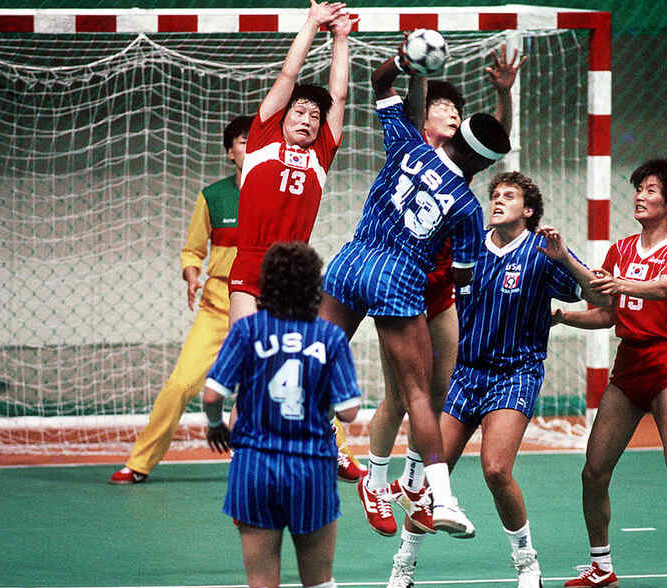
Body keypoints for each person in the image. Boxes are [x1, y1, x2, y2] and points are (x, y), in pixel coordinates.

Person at [381, 171, 610, 588]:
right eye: (495, 195)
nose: (498, 201)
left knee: (495, 469)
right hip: (463, 372)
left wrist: (565, 259)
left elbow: (598, 300)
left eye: (509, 196)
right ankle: (403, 568)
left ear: (528, 210)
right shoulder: (468, 247)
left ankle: (527, 566)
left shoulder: (544, 250)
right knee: (435, 472)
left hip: (515, 372)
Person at [318, 38, 511, 540]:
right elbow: (467, 277)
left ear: (455, 135)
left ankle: (324, 445)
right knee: (417, 395)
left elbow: (380, 84)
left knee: (314, 359)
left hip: (352, 261)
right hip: (403, 282)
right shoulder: (469, 207)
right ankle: (437, 495)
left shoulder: (404, 142)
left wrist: (402, 62)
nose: (445, 112)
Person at [553, 157, 667, 588]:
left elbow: (665, 288)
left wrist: (620, 285)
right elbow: (605, 311)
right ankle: (601, 567)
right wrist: (559, 310)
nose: (640, 195)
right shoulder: (620, 250)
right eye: (639, 188)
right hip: (629, 365)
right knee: (593, 471)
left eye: (651, 190)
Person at [203, 241, 361, 588]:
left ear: (267, 285)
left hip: (253, 465)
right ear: (315, 288)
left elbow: (212, 396)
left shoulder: (248, 330)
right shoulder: (329, 337)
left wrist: (216, 428)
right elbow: (349, 411)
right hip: (310, 468)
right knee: (320, 587)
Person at [224, 1, 363, 482]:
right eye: (300, 111)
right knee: (249, 360)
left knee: (303, 361)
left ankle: (327, 443)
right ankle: (251, 463)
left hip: (296, 272)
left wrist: (341, 37)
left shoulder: (322, 151)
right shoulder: (262, 138)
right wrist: (312, 24)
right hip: (249, 264)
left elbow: (338, 98)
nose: (306, 117)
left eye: (312, 115)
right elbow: (289, 74)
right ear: (283, 116)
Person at [110, 115, 253, 484]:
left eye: (255, 139)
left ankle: (341, 455)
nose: (249, 145)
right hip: (218, 304)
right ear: (229, 153)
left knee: (304, 372)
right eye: (241, 140)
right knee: (179, 386)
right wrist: (192, 275)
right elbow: (192, 250)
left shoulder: (278, 191)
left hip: (262, 304)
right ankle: (139, 463)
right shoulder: (212, 197)